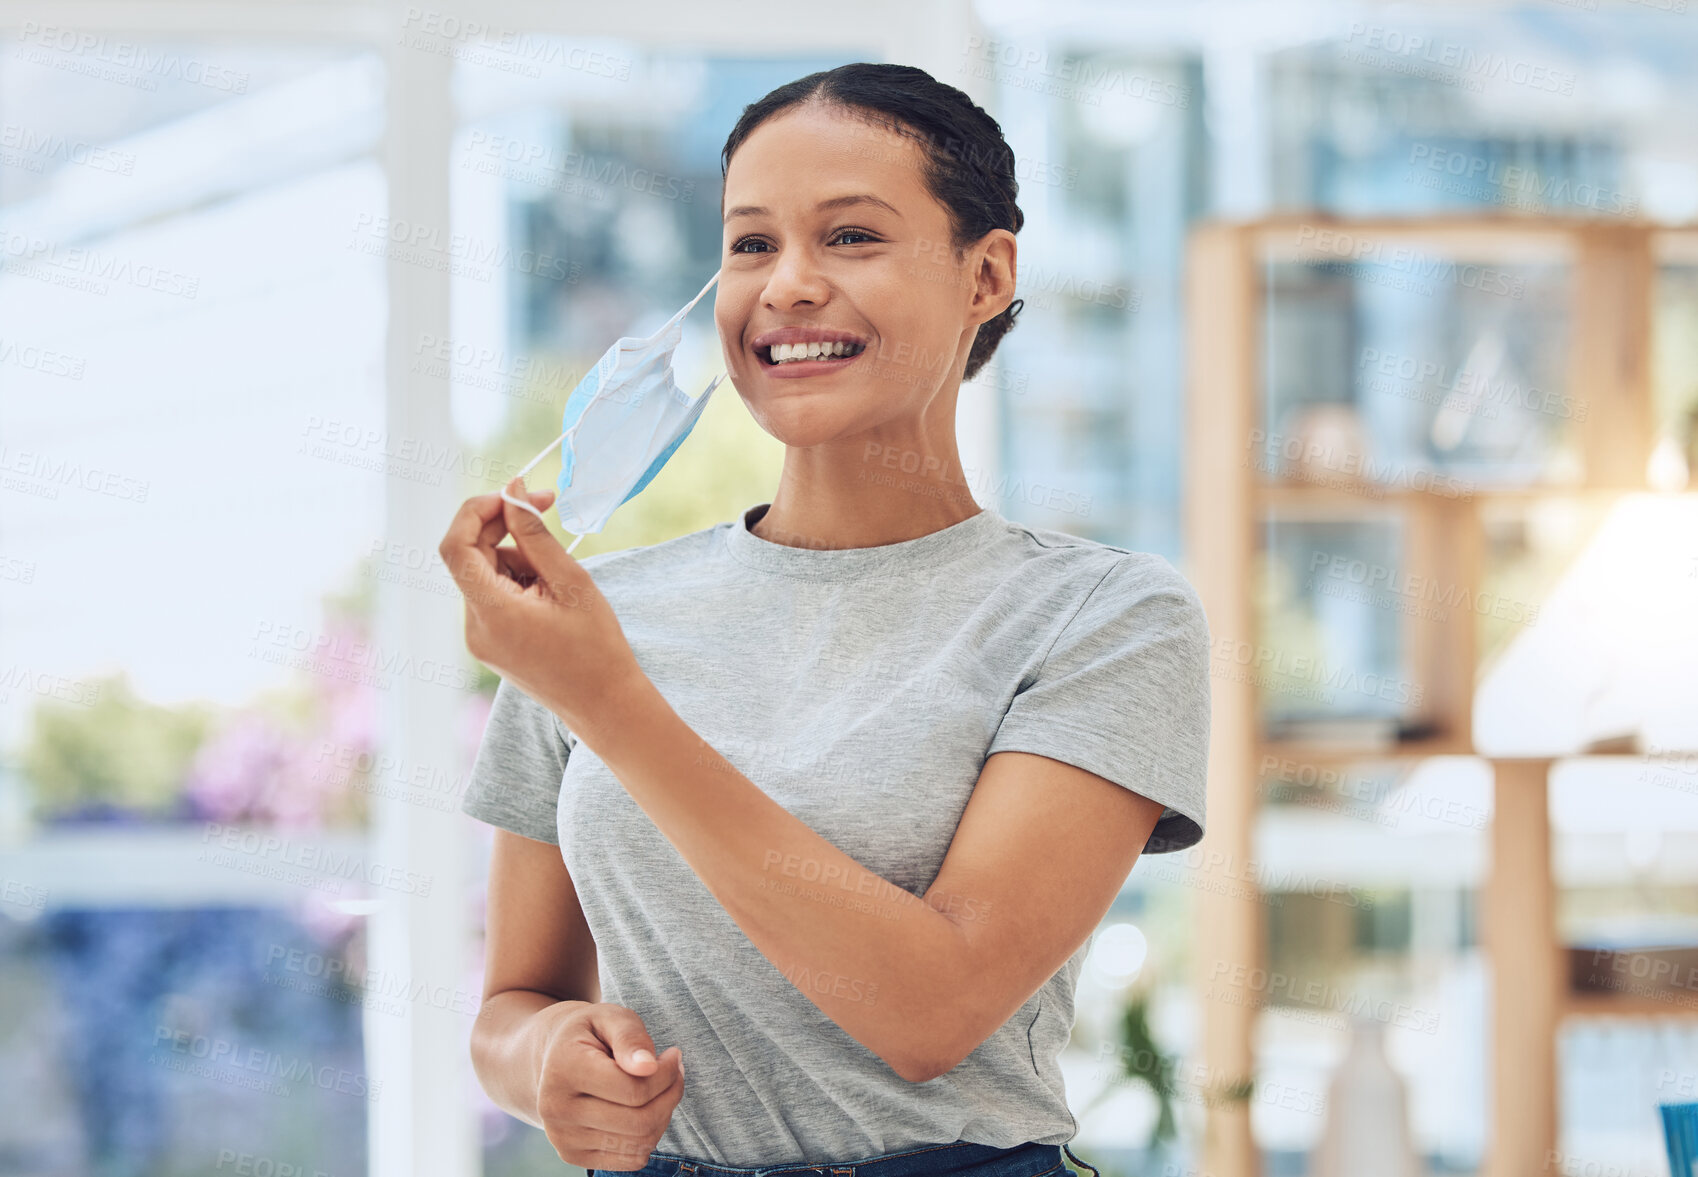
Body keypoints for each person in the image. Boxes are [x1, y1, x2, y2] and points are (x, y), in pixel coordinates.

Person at [438, 61, 1212, 1177]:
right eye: (751, 244)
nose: (787, 284)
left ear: (986, 273)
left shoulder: (1101, 618)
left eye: (850, 236)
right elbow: (513, 1004)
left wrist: (609, 701)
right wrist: (549, 1054)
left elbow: (928, 1010)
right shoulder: (599, 615)